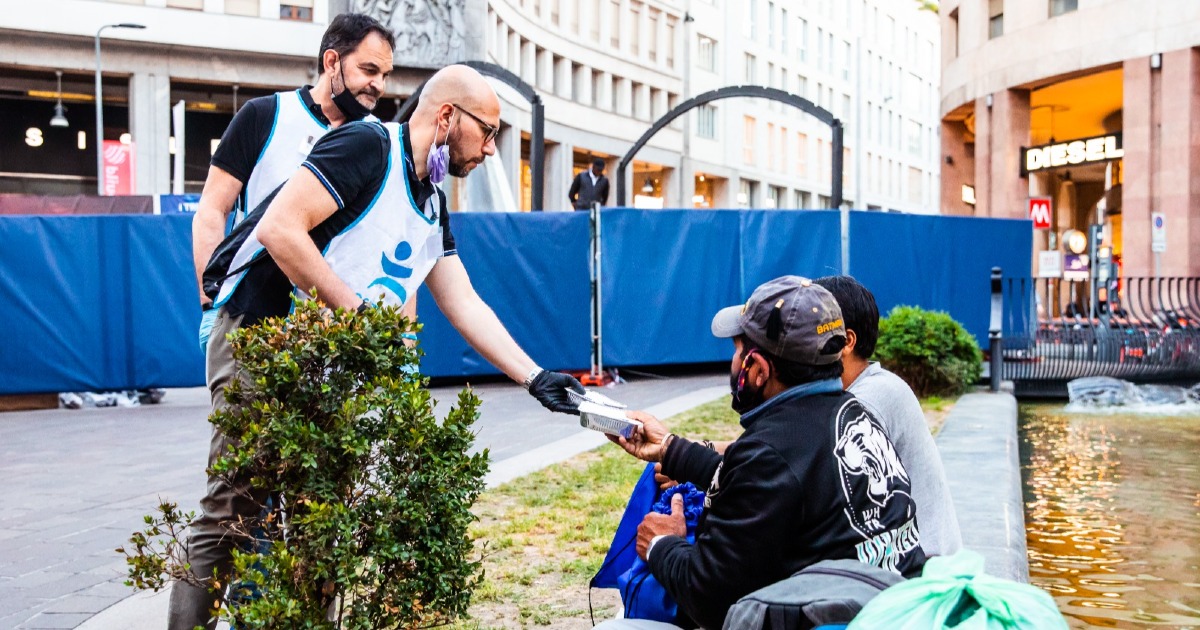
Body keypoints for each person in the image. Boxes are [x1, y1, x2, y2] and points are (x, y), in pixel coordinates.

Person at [172, 64, 585, 630]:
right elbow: (279, 230)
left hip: (327, 364)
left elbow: (463, 301)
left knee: (323, 522)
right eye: (488, 131)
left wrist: (535, 377)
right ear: (447, 116)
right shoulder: (367, 145)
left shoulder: (431, 201)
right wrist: (363, 321)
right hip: (259, 339)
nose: (491, 149)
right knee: (232, 511)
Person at [602, 276, 926, 630]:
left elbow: (708, 599)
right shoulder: (854, 414)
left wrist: (661, 544)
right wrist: (670, 449)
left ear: (758, 370)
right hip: (892, 612)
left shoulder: (770, 453)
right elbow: (776, 482)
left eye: (737, 351)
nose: (734, 362)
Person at [192, 13, 395, 350]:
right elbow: (213, 209)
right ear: (331, 62)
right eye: (369, 70)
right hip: (252, 320)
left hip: (337, 332)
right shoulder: (264, 115)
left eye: (385, 75)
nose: (379, 86)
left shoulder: (381, 141)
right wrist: (211, 301)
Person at [813, 275, 963, 557]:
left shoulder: (867, 400)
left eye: (812, 330)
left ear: (846, 342)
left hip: (922, 565)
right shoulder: (874, 386)